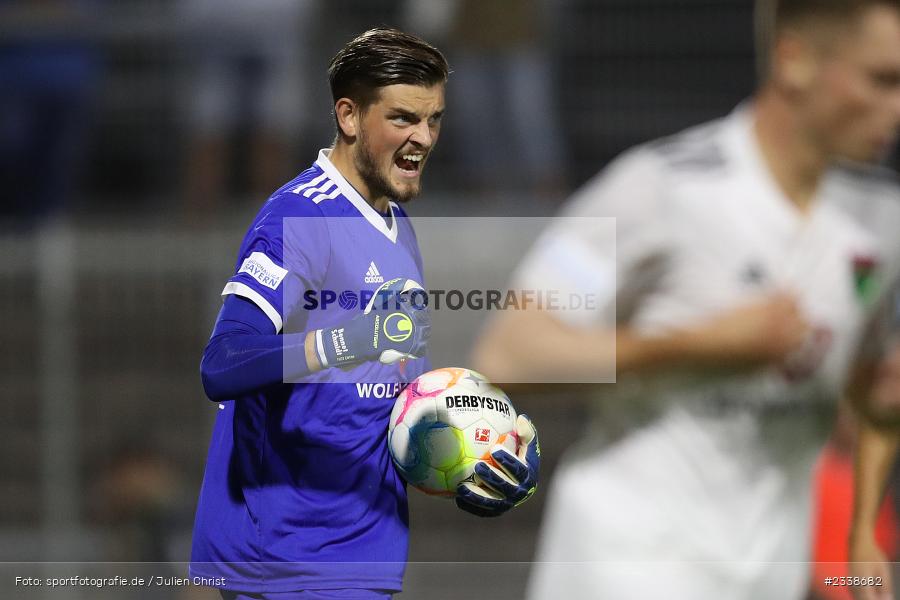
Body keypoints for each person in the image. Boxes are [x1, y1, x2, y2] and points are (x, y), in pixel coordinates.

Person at [471, 1, 900, 598]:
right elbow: (508, 357)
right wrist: (699, 346)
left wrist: (862, 532)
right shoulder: (662, 185)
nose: (897, 108)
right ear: (795, 59)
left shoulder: (875, 223)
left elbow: (869, 393)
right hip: (630, 561)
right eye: (882, 80)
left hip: (765, 570)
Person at [189, 28, 540, 599]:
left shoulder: (395, 222)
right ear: (349, 116)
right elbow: (222, 363)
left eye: (435, 119)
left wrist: (467, 451)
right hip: (290, 555)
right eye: (403, 118)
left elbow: (377, 401)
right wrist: (344, 341)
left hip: (364, 552)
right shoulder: (298, 220)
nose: (424, 137)